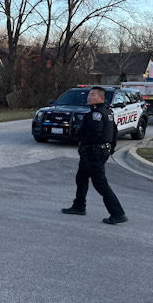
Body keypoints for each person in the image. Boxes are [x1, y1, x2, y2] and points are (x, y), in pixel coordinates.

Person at [62, 86, 128, 225]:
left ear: (101, 98)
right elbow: (114, 132)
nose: (89, 97)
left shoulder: (96, 114)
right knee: (81, 178)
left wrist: (83, 143)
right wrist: (111, 149)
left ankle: (117, 213)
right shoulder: (107, 112)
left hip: (93, 152)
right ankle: (79, 206)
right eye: (89, 95)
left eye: (93, 95)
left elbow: (95, 133)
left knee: (100, 183)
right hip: (94, 152)